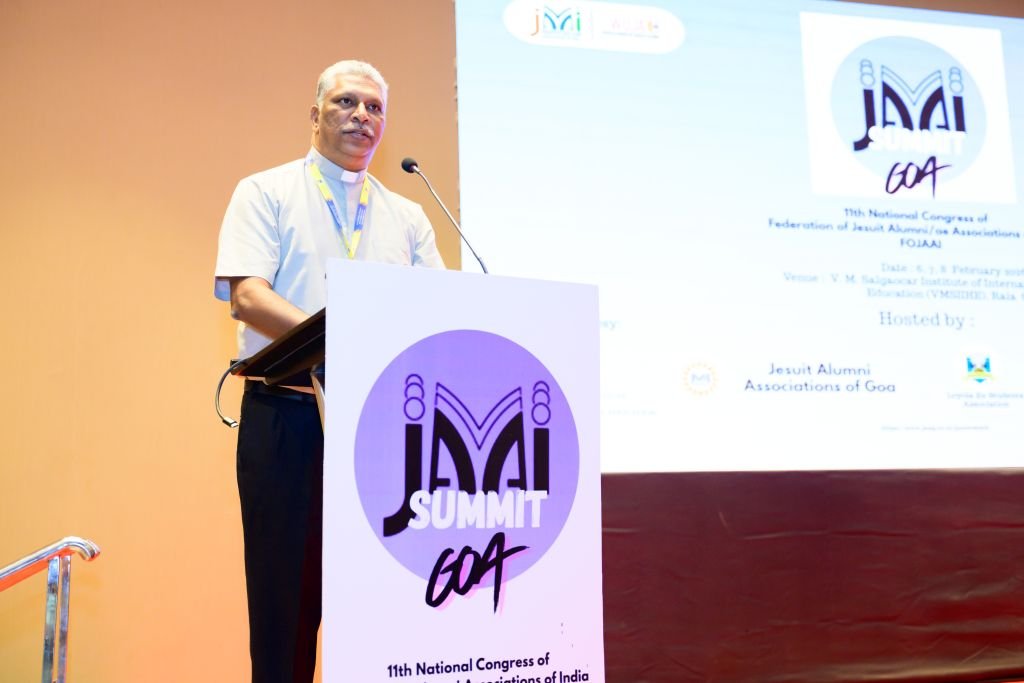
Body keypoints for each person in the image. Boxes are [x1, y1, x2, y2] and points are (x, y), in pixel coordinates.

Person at [213, 59, 445, 683]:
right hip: (287, 417)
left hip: (382, 429)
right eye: (346, 102)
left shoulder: (407, 216)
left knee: (382, 598)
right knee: (285, 605)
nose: (361, 116)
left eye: (374, 107)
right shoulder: (265, 191)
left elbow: (438, 310)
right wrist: (345, 340)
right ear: (315, 114)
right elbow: (248, 296)